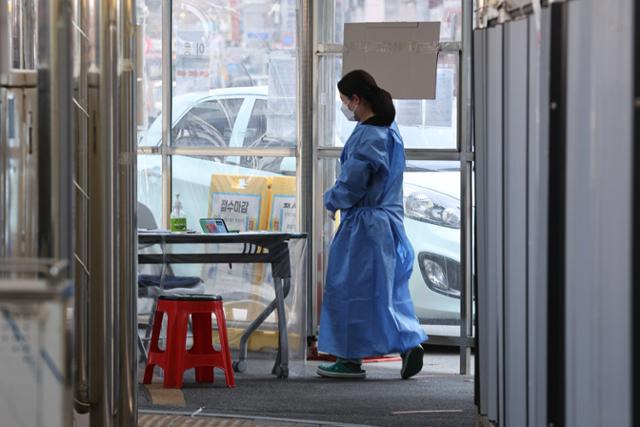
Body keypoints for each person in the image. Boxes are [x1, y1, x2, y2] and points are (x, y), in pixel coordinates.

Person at [317, 70, 427, 380]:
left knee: (347, 290)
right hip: (389, 225)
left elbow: (353, 183)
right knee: (387, 291)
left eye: (344, 101)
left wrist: (332, 199)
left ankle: (349, 360)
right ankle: (409, 343)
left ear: (356, 99)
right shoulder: (391, 131)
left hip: (363, 227)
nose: (344, 107)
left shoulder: (368, 136)